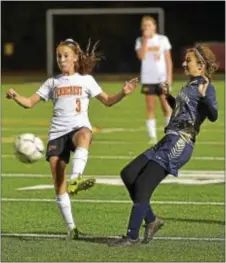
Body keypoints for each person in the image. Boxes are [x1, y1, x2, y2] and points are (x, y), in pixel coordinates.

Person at [6, 38, 138, 240]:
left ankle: (76, 178)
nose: (61, 59)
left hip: (78, 127)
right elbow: (29, 103)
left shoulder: (86, 80)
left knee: (85, 134)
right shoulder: (52, 82)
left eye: (65, 55)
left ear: (75, 57)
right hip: (57, 133)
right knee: (58, 180)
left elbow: (108, 101)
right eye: (59, 56)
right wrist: (15, 96)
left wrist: (123, 92)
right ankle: (72, 228)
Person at [110, 44, 218, 247]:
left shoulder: (206, 86)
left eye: (189, 61)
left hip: (180, 143)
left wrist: (205, 98)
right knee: (129, 174)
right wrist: (168, 96)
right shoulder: (190, 85)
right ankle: (152, 220)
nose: (184, 63)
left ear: (201, 66)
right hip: (168, 139)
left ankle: (131, 236)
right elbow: (181, 110)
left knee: (143, 185)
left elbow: (213, 115)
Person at [135, 16, 173, 144]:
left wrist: (169, 78)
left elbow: (168, 60)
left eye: (149, 25)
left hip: (161, 78)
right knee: (150, 107)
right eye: (145, 26)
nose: (147, 28)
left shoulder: (162, 40)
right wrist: (145, 40)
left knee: (165, 106)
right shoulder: (140, 41)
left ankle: (169, 134)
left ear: (154, 27)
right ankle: (152, 137)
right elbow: (141, 56)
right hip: (148, 78)